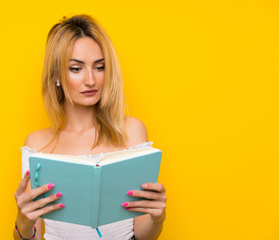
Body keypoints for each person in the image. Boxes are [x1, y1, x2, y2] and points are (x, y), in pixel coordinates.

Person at [14, 14, 167, 240]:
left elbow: (144, 235)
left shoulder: (132, 132)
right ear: (56, 74)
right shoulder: (38, 144)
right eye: (76, 68)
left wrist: (157, 218)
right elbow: (29, 236)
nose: (91, 80)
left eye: (99, 67)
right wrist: (24, 224)